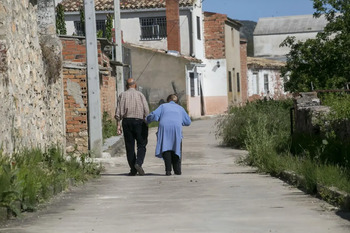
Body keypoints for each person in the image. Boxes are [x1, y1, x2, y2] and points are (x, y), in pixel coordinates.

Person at [146, 94, 191, 176]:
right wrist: (179, 121)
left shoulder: (163, 106)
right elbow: (188, 122)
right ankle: (177, 170)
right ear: (176, 101)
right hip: (176, 128)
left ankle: (168, 171)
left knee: (166, 147)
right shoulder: (180, 108)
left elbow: (154, 115)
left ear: (168, 100)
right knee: (176, 148)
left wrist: (147, 119)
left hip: (164, 127)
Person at [115, 78, 149, 176]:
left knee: (129, 146)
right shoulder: (140, 95)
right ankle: (138, 163)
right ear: (135, 85)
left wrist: (118, 126)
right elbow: (146, 110)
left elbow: (118, 112)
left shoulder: (122, 95)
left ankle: (133, 170)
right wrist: (147, 121)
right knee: (141, 144)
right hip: (139, 122)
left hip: (127, 122)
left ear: (126, 85)